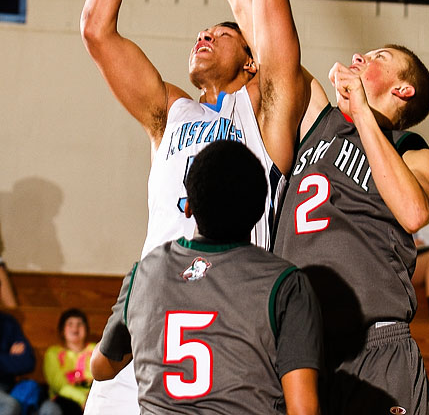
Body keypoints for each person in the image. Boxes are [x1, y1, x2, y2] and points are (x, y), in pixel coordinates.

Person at [199, 0, 429, 413]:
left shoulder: (416, 153)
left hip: (375, 347)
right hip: (300, 352)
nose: (362, 55)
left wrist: (361, 109)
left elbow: (412, 212)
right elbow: (252, 0)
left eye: (379, 55)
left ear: (404, 90)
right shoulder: (319, 120)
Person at [80, 0, 305, 414]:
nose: (205, 36)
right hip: (149, 319)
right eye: (201, 31)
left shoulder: (269, 116)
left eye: (224, 33)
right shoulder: (171, 114)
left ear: (254, 59)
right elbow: (98, 33)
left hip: (227, 325)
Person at [90, 140, 323, 415]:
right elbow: (303, 409)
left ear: (188, 207)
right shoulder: (286, 284)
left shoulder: (145, 273)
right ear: (259, 211)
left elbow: (101, 368)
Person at [38, 309, 95, 415]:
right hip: (64, 402)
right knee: (49, 408)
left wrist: (90, 399)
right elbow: (59, 385)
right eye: (70, 324)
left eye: (80, 324)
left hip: (94, 399)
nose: (75, 328)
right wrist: (82, 399)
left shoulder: (95, 350)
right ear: (62, 330)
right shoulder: (53, 353)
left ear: (86, 329)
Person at [0, 310, 36, 415]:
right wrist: (10, 357)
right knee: (10, 405)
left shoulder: (7, 322)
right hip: (7, 398)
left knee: (45, 407)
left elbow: (28, 362)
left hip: (8, 388)